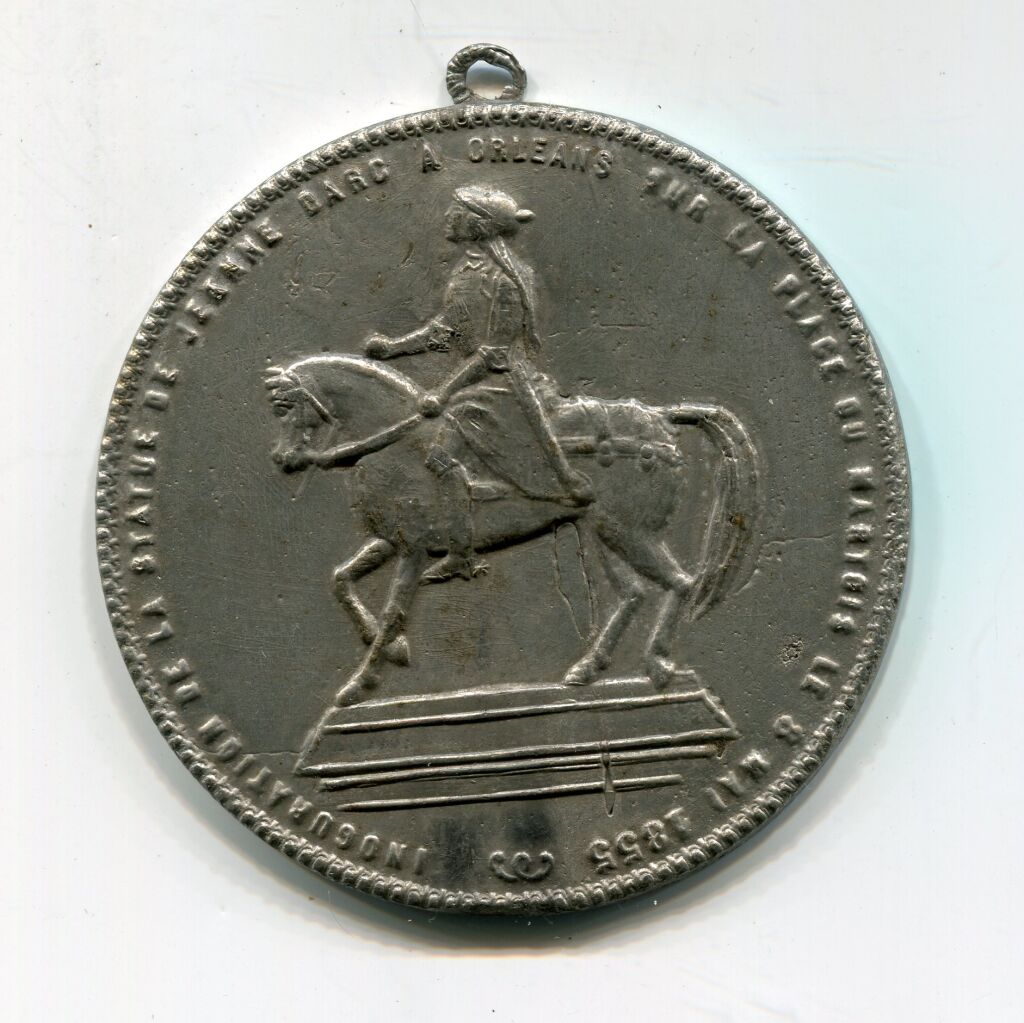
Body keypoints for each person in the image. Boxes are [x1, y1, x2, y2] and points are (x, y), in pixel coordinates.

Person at [364, 185, 592, 582]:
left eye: (457, 211)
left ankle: (461, 554)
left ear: (477, 224)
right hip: (476, 385)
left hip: (503, 387)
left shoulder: (507, 280)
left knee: (439, 457)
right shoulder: (465, 273)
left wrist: (444, 391)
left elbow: (494, 353)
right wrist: (393, 348)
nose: (448, 217)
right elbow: (445, 330)